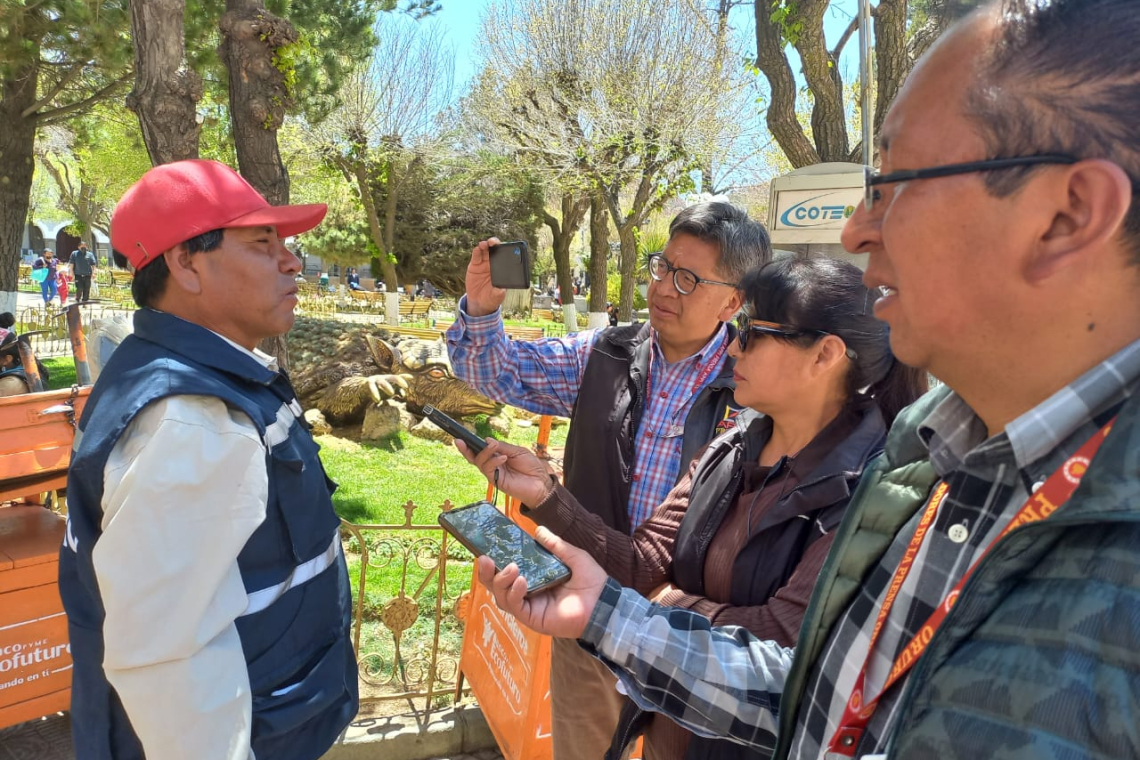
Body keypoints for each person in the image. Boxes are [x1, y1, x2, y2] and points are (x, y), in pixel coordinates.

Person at [478, 2, 1140, 758]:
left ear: (1067, 215)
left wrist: (644, 606)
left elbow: (783, 641)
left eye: (893, 185)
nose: (858, 230)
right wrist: (604, 606)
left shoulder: (885, 472)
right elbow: (823, 695)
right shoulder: (930, 459)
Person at [459, 257, 926, 760]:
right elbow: (641, 563)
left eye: (753, 332)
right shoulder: (733, 447)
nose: (734, 345)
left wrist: (652, 604)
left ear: (824, 355)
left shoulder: (870, 491)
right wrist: (546, 495)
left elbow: (782, 645)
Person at [446, 201, 771, 760]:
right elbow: (494, 371)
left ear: (732, 301)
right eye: (662, 266)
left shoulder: (754, 382)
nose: (663, 288)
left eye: (688, 279)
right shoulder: (605, 354)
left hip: (689, 634)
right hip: (589, 616)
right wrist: (481, 307)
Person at [58, 159, 358, 760]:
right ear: (186, 263)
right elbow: (169, 662)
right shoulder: (190, 420)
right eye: (262, 243)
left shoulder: (184, 375)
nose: (291, 261)